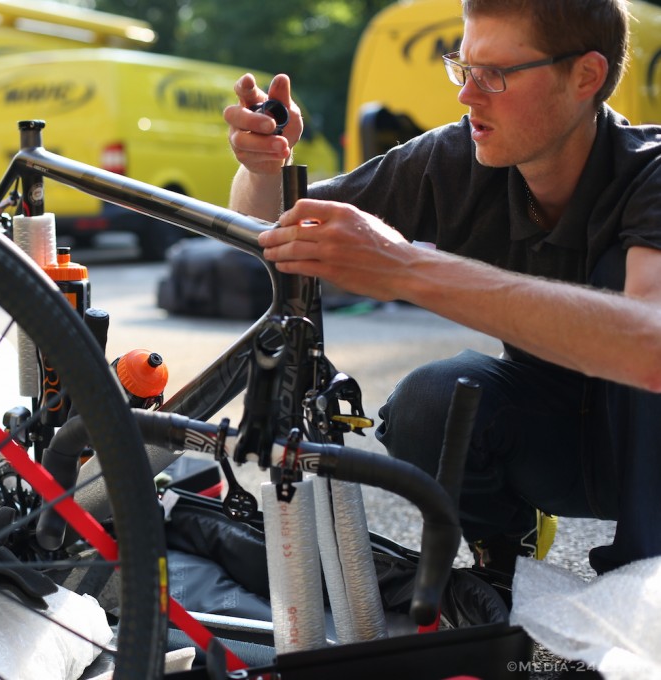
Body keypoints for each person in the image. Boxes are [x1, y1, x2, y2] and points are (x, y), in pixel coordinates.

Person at [224, 0, 661, 576]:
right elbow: (280, 230)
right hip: (556, 437)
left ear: (586, 76)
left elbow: (650, 348)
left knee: (620, 285)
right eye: (464, 67)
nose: (467, 95)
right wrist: (262, 171)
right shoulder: (457, 159)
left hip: (644, 440)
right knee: (429, 401)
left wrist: (406, 267)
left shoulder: (649, 173)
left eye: (495, 75)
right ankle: (503, 555)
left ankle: (643, 580)